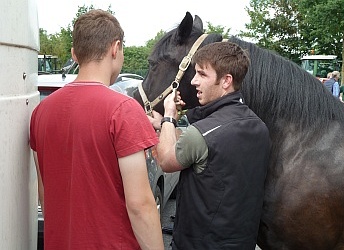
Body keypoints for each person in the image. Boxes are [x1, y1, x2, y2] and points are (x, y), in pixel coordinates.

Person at [29, 10, 164, 250]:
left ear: (74, 54)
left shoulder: (41, 112)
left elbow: (44, 193)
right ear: (116, 48)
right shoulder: (123, 110)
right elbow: (140, 205)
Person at [148, 42, 270, 249]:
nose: (194, 81)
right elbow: (205, 156)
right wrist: (165, 125)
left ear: (226, 81)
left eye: (202, 75)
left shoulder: (204, 133)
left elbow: (168, 161)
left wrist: (169, 116)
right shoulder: (259, 127)